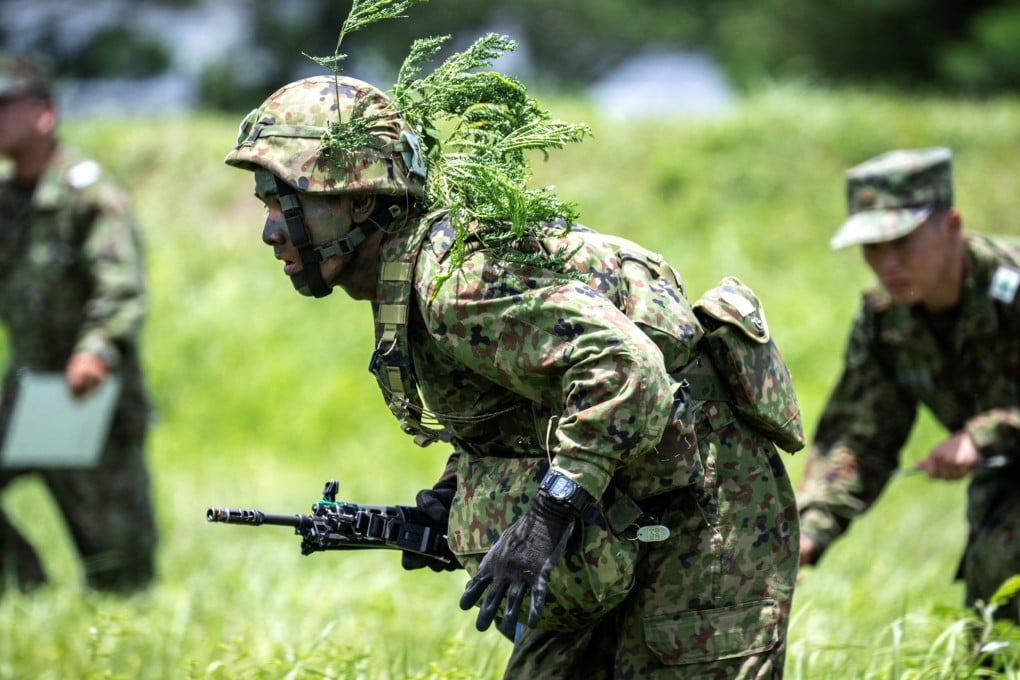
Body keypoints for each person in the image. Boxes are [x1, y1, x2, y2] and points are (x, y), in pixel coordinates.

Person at [225, 70, 802, 678]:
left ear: (361, 202)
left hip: (705, 507)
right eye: (266, 204)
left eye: (287, 203)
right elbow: (523, 399)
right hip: (614, 516)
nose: (270, 231)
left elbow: (625, 369)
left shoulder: (457, 284)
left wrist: (544, 522)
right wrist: (448, 503)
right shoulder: (416, 272)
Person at [797, 147, 1020, 620]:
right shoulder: (886, 320)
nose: (888, 264)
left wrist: (986, 434)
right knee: (995, 623)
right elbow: (860, 435)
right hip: (1003, 490)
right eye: (873, 248)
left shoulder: (1013, 283)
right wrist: (808, 532)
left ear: (952, 226)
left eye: (902, 243)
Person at [0, 52, 156, 593]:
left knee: (122, 574)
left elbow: (121, 287)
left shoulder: (89, 196)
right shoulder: (5, 203)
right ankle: (24, 588)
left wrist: (96, 349)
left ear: (44, 113)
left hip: (88, 397)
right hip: (26, 392)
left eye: (5, 104)